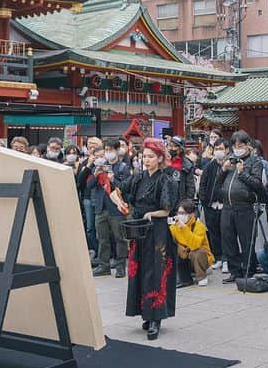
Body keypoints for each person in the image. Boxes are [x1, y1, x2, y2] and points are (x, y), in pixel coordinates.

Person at [124, 138, 180, 340]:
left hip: (157, 231)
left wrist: (152, 214)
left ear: (160, 158)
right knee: (140, 271)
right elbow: (122, 191)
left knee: (156, 271)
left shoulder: (166, 180)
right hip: (139, 229)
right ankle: (145, 312)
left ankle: (156, 317)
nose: (146, 160)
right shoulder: (138, 178)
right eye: (144, 157)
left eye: (150, 157)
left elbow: (167, 209)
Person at [218, 130, 266, 283]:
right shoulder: (230, 160)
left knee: (246, 240)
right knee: (228, 240)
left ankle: (248, 270)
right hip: (227, 207)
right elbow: (218, 183)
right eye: (235, 145)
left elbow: (258, 185)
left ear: (248, 145)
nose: (237, 148)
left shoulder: (255, 162)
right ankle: (234, 270)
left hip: (245, 207)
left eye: (241, 145)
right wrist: (223, 170)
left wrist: (242, 172)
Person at [89, 138, 132, 278]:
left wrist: (114, 180)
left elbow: (126, 188)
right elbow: (89, 186)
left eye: (110, 150)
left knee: (119, 238)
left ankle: (120, 266)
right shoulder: (100, 166)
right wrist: (96, 176)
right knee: (102, 238)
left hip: (116, 208)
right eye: (106, 150)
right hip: (101, 207)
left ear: (117, 150)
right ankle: (104, 265)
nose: (108, 153)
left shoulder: (123, 167)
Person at [198, 136, 228, 274]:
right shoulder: (209, 165)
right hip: (210, 205)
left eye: (221, 149)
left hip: (225, 205)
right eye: (216, 149)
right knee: (214, 233)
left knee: (226, 233)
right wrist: (204, 201)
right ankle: (218, 258)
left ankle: (227, 259)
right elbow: (203, 184)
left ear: (227, 150)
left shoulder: (229, 165)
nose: (218, 151)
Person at [169, 198, 213, 287]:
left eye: (183, 213)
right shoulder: (174, 227)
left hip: (201, 259)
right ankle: (181, 276)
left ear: (191, 214)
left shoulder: (199, 226)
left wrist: (184, 228)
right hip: (184, 257)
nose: (180, 216)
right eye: (179, 213)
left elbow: (195, 245)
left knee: (197, 252)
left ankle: (202, 276)